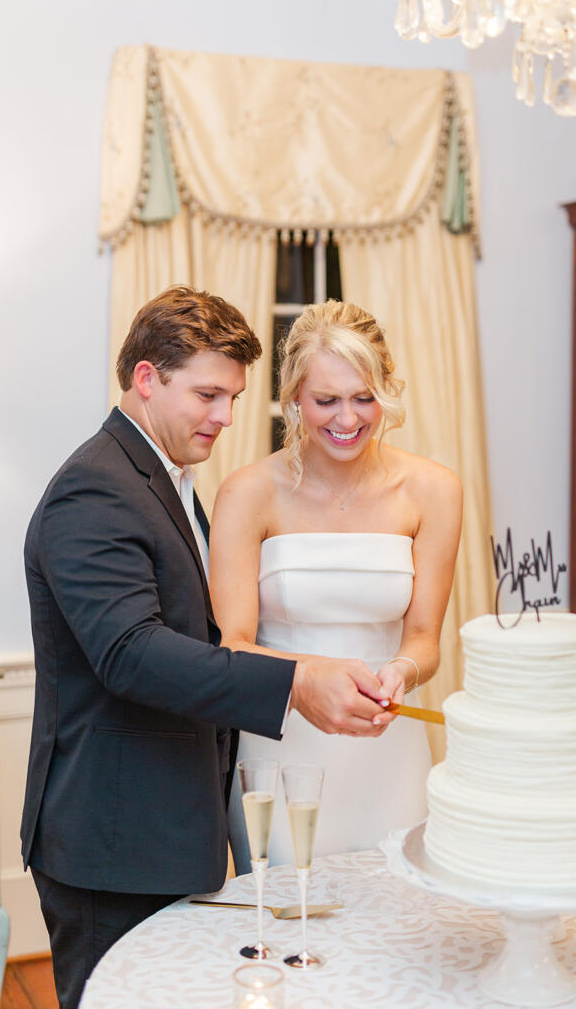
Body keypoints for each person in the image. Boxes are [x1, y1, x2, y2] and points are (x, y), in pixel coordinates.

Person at [20, 286, 394, 1009]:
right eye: (208, 395)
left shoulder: (165, 479)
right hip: (112, 839)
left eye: (233, 398)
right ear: (147, 378)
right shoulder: (95, 488)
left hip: (164, 828)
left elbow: (202, 636)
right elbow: (131, 653)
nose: (225, 417)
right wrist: (294, 682)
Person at [210, 300, 462, 874]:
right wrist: (310, 676)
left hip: (387, 751)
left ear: (386, 390)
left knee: (397, 906)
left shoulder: (434, 490)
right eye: (326, 400)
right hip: (278, 748)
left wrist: (401, 672)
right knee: (285, 906)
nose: (347, 418)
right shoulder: (248, 492)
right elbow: (232, 646)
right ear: (295, 397)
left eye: (364, 397)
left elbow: (425, 639)